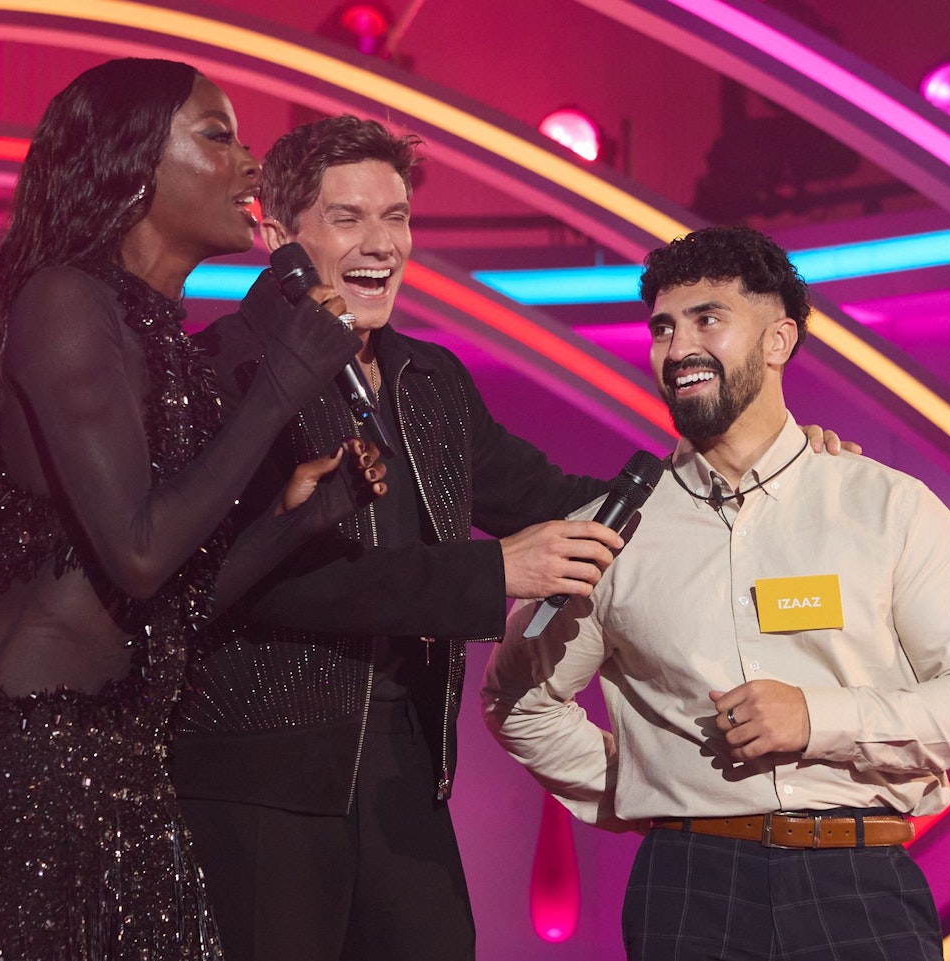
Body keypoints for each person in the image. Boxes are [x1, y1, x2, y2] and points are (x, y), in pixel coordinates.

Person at [170, 119, 850, 961]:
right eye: (348, 218)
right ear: (281, 238)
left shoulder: (433, 383)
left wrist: (766, 460)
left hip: (402, 777)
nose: (382, 243)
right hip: (262, 784)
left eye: (398, 216)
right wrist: (491, 570)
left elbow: (566, 500)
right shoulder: (224, 372)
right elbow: (262, 575)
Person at [0, 59, 379, 961]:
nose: (251, 165)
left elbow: (169, 593)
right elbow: (141, 555)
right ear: (133, 164)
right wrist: (279, 387)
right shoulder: (66, 302)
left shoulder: (157, 333)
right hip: (35, 739)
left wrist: (304, 516)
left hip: (99, 731)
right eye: (218, 135)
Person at [482, 225, 950, 961]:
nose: (678, 350)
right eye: (663, 328)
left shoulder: (885, 506)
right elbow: (518, 699)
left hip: (857, 877)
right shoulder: (609, 533)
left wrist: (817, 718)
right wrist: (649, 782)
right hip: (688, 886)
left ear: (778, 341)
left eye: (708, 319)